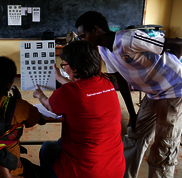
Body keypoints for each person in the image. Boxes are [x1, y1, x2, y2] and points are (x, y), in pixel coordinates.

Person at [74, 11, 182, 178]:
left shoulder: (128, 38)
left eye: (83, 36)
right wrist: (132, 113)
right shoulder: (103, 49)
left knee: (163, 148)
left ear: (96, 29)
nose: (82, 40)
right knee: (134, 134)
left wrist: (169, 67)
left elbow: (178, 44)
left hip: (173, 91)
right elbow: (120, 80)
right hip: (152, 94)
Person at [33, 40, 125, 178]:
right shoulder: (107, 84)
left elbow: (49, 105)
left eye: (64, 64)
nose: (63, 68)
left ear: (75, 67)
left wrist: (40, 95)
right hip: (115, 168)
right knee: (60, 142)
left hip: (83, 173)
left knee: (47, 147)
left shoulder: (67, 92)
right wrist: (59, 78)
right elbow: (81, 90)